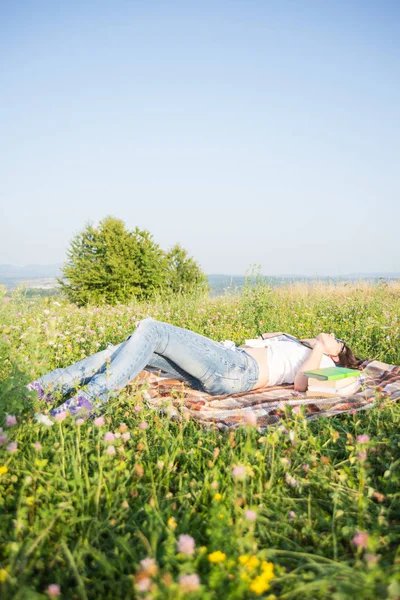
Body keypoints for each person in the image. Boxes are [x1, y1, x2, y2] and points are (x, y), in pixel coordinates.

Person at [27, 317, 359, 420]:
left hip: (235, 369)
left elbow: (302, 385)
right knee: (122, 349)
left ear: (337, 355)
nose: (332, 336)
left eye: (337, 341)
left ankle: (82, 406)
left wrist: (321, 348)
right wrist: (305, 341)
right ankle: (38, 391)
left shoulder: (324, 360)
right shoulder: (301, 344)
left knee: (151, 329)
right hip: (223, 360)